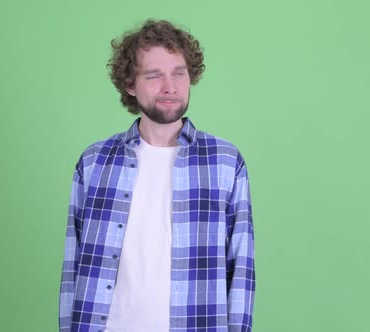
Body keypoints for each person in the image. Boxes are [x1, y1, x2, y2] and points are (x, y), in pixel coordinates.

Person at [59, 19, 255, 332]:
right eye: (154, 75)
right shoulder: (94, 163)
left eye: (179, 72)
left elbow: (241, 269)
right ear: (130, 84)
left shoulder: (225, 163)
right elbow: (74, 265)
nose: (170, 86)